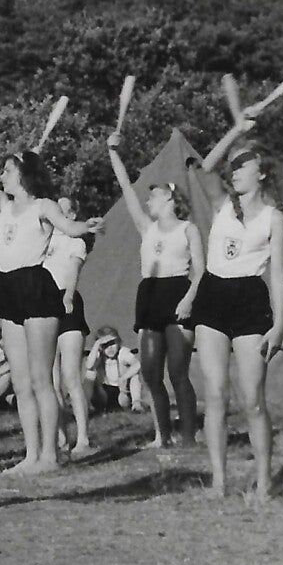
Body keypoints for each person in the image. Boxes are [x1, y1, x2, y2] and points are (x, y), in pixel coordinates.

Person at [0, 101, 100, 476]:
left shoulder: (43, 205)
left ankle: (50, 457)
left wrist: (87, 226)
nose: (1, 175)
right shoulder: (2, 207)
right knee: (21, 380)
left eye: (7, 170)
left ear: (21, 173)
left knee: (42, 378)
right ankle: (31, 455)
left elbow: (69, 228)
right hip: (7, 290)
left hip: (36, 287)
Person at [189, 123, 283, 503]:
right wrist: (237, 130)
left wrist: (279, 323)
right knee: (215, 395)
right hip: (213, 295)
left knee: (253, 400)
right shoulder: (220, 205)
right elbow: (205, 165)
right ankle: (219, 481)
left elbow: (277, 274)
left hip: (250, 298)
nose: (235, 169)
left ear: (262, 172)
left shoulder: (274, 218)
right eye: (236, 164)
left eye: (245, 164)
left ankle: (263, 483)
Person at [106, 130, 204, 449]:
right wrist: (114, 153)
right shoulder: (146, 229)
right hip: (149, 297)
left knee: (178, 372)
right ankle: (162, 436)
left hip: (178, 297)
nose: (148, 201)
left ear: (169, 199)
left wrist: (190, 299)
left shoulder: (188, 229)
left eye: (153, 197)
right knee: (151, 374)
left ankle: (188, 435)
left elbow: (202, 271)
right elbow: (126, 187)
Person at [46, 196, 96, 457]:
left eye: (66, 210)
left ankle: (84, 438)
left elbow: (73, 270)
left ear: (74, 214)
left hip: (68, 302)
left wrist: (68, 295)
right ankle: (61, 436)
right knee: (51, 379)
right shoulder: (47, 239)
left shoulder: (76, 242)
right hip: (46, 305)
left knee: (70, 377)